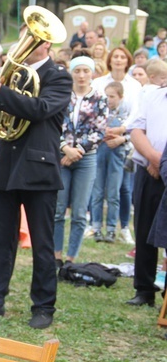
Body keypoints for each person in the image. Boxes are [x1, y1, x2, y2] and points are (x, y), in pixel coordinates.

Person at [0, 22, 72, 329]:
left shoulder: (59, 76)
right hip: (6, 164)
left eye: (33, 40)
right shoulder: (15, 75)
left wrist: (0, 92)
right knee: (1, 239)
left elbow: (41, 109)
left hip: (38, 167)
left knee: (42, 241)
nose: (26, 45)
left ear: (47, 46)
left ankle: (43, 306)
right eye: (24, 39)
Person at [54, 56, 107, 264]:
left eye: (86, 71)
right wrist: (65, 149)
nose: (82, 75)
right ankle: (56, 254)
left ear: (92, 73)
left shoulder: (99, 98)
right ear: (71, 72)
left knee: (78, 211)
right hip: (62, 155)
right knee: (58, 209)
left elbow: (99, 130)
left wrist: (77, 151)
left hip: (86, 158)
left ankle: (71, 257)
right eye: (77, 71)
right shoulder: (63, 95)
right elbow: (54, 124)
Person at [126, 84, 167, 307]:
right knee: (144, 229)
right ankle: (144, 288)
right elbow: (136, 130)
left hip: (161, 167)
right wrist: (154, 158)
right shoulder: (152, 95)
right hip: (149, 171)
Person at [90, 82, 129, 244]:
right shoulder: (100, 113)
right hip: (100, 153)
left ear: (121, 97)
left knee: (113, 193)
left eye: (112, 96)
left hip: (116, 155)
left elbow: (133, 133)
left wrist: (122, 138)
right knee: (97, 191)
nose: (109, 100)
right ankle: (96, 227)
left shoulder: (125, 115)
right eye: (107, 96)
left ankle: (112, 229)